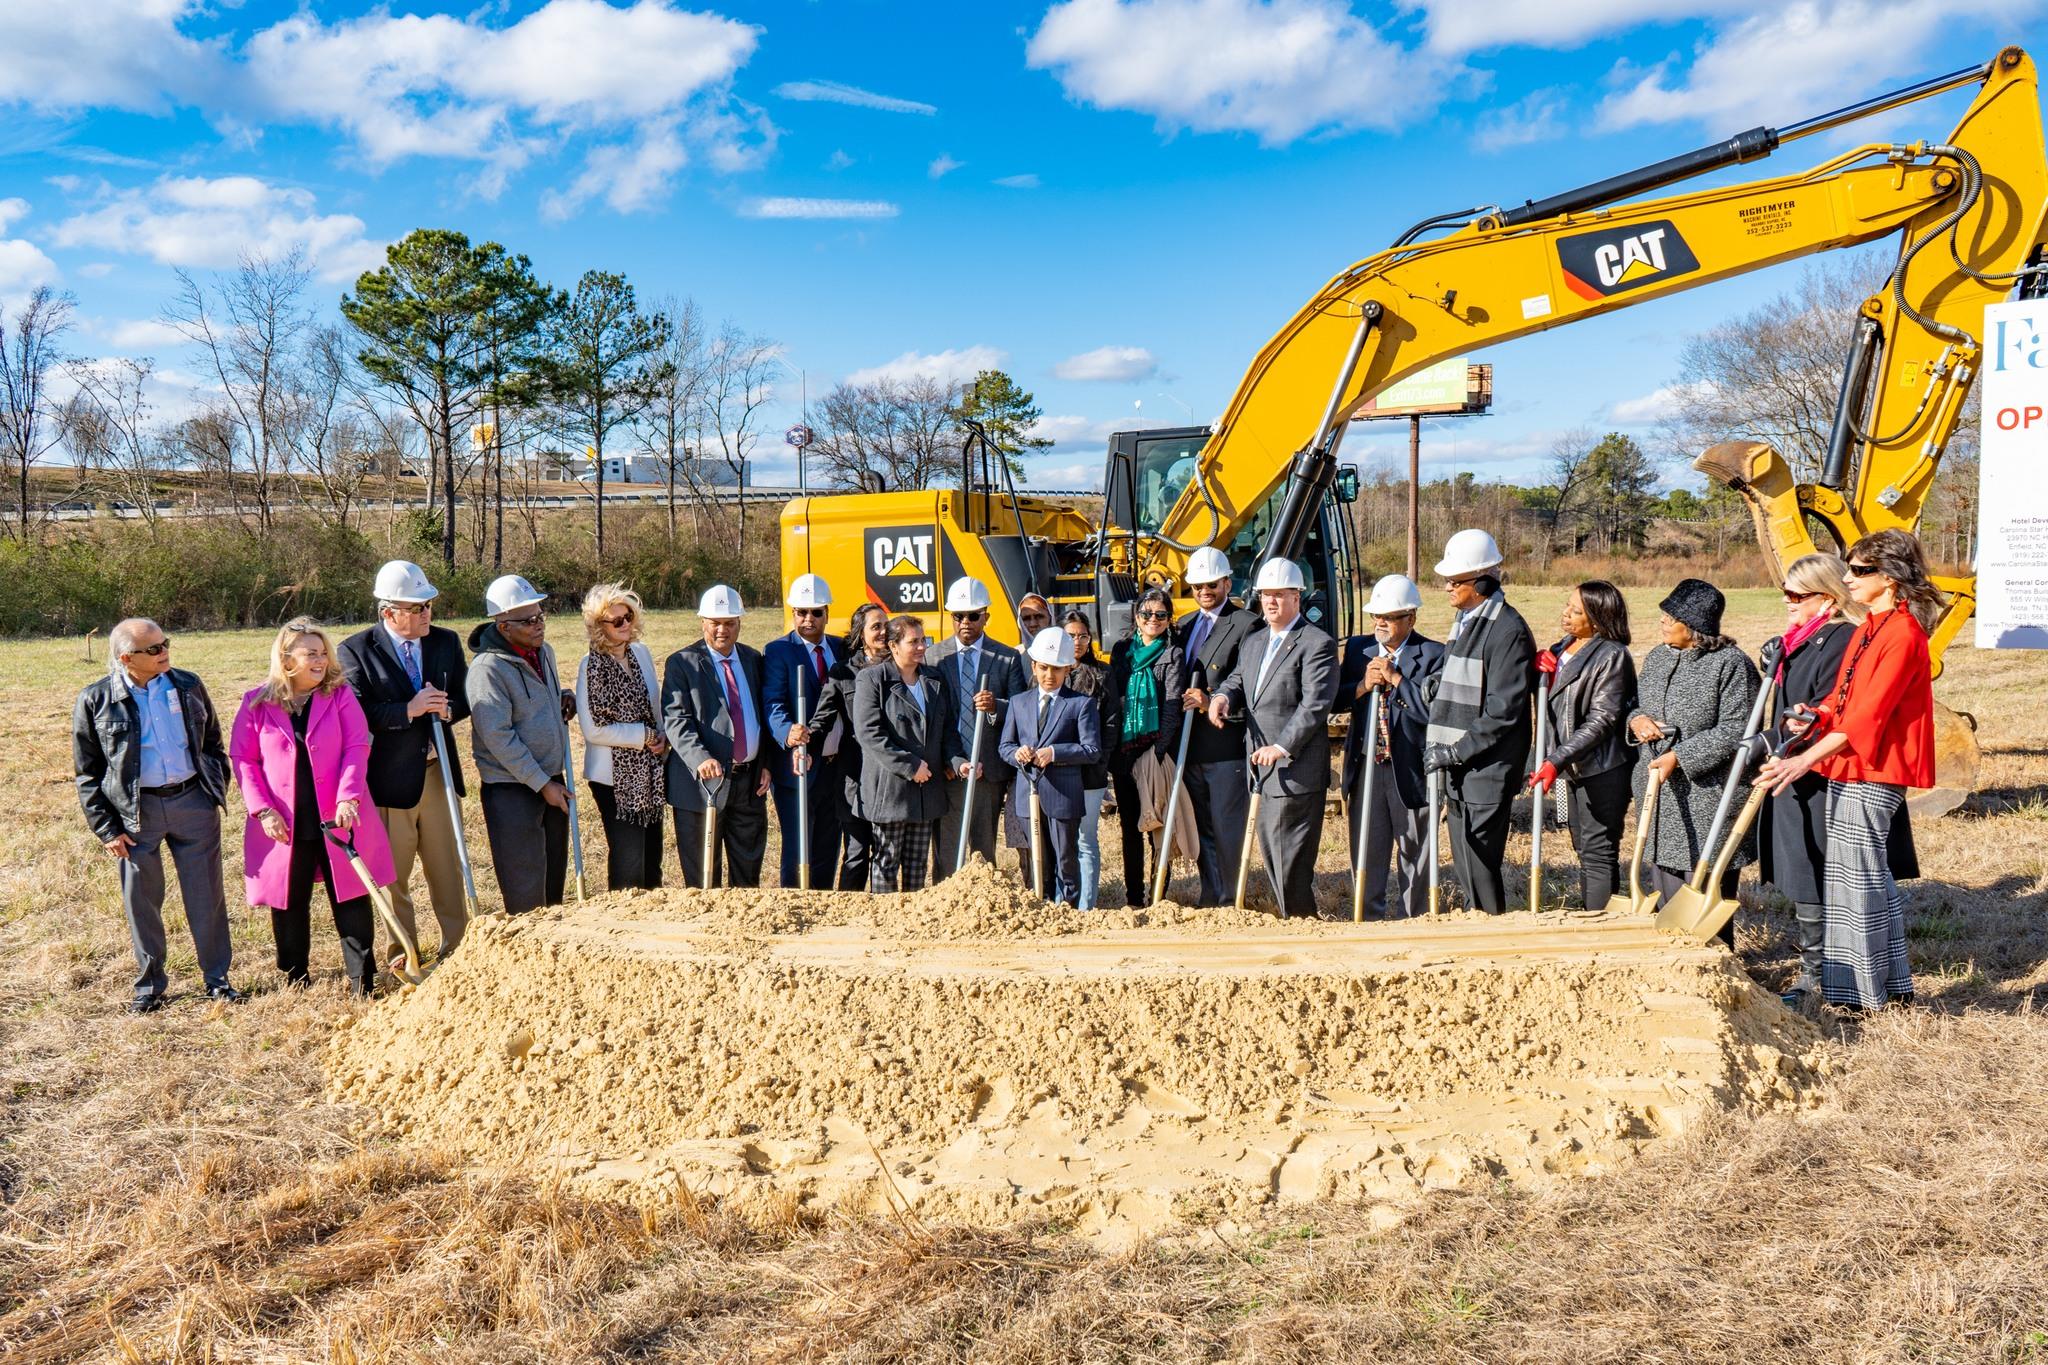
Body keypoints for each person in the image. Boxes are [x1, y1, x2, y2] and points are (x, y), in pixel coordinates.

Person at [1759, 530, 1938, 1012]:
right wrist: (1812, 716)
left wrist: (1802, 759)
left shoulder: (1902, 633)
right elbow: (1843, 701)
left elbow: (1868, 716)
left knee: (1854, 884)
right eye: (1849, 568)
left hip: (1877, 768)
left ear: (1891, 577)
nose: (1847, 578)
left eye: (1859, 571)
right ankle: (1893, 988)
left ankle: (1860, 997)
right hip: (1851, 765)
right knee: (1867, 879)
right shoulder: (1870, 626)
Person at [73, 618, 238, 1011]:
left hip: (193, 803)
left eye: (165, 643)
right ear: (126, 658)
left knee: (207, 896)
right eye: (153, 649)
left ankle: (217, 980)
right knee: (142, 901)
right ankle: (149, 987)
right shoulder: (96, 699)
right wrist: (106, 828)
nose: (164, 651)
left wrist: (214, 787)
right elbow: (87, 772)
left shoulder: (188, 684)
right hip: (135, 814)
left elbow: (213, 741)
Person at [231, 618, 393, 995]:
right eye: (311, 654)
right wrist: (263, 810)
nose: (321, 661)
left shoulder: (339, 695)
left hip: (337, 814)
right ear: (287, 660)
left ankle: (362, 979)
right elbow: (243, 760)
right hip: (284, 820)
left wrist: (348, 795)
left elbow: (357, 746)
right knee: (290, 899)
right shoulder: (256, 702)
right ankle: (294, 976)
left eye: (323, 653)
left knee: (350, 894)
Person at [338, 560, 471, 970]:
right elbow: (358, 713)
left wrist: (447, 710)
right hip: (390, 780)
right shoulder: (355, 649)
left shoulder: (446, 642)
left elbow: (465, 699)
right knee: (394, 874)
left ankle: (460, 949)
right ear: (387, 612)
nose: (426, 613)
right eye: (415, 607)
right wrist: (408, 710)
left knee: (448, 866)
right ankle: (404, 954)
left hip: (437, 773)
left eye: (428, 604)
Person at [1755, 553, 1868, 1008]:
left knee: (1814, 867)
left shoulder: (1839, 639)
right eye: (1784, 592)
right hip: (1792, 763)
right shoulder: (1802, 637)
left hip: (1818, 769)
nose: (1787, 601)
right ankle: (1815, 967)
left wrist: (1778, 736)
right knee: (1801, 868)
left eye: (1797, 595)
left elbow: (1826, 706)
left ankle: (1818, 976)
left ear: (1828, 598)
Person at [1627, 578, 1760, 940]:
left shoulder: (1731, 665)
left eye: (1670, 618)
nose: (1662, 623)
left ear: (1693, 625)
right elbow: (1637, 707)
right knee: (1665, 886)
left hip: (1708, 798)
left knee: (1704, 894)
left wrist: (1681, 757)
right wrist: (1636, 721)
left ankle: (1716, 963)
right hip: (1658, 793)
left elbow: (1738, 728)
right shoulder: (1657, 657)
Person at [1208, 558, 1339, 919]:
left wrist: (1282, 747)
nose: (1271, 602)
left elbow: (1316, 704)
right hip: (1259, 768)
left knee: (1289, 859)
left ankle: (1301, 925)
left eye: (1279, 595)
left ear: (1297, 597)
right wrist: (1222, 697)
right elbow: (1238, 678)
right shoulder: (1255, 641)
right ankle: (1293, 921)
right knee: (1273, 853)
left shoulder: (1316, 643)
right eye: (1266, 595)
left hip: (1294, 770)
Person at [1423, 529, 1537, 914]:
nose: (1447, 588)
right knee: (1464, 862)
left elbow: (1503, 710)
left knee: (1480, 863)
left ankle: (1491, 927)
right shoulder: (1467, 623)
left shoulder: (1507, 631)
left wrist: (1455, 751)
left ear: (1484, 582)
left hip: (1486, 767)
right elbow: (1469, 677)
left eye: (1456, 581)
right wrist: (1439, 682)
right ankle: (1476, 920)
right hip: (1462, 766)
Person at [1336, 575, 1443, 919]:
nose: (1380, 622)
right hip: (1367, 766)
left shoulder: (1434, 655)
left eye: (1390, 616)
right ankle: (1368, 919)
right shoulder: (1357, 649)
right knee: (1367, 851)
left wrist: (1397, 679)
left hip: (1409, 770)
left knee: (1416, 852)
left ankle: (1415, 920)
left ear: (1411, 617)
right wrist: (1363, 686)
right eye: (1376, 615)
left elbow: (1432, 712)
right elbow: (1334, 699)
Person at [467, 574, 575, 915]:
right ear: (503, 627)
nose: (538, 625)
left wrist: (561, 697)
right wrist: (542, 784)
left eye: (540, 616)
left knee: (553, 886)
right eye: (527, 621)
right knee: (527, 893)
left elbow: (536, 701)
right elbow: (498, 736)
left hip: (550, 780)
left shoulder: (545, 653)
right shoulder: (487, 671)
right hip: (512, 789)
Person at [1528, 581, 1638, 911]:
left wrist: (1556, 760)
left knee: (1599, 850)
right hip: (1571, 765)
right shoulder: (1563, 647)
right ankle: (1593, 913)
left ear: (1599, 618)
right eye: (1567, 605)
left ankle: (1602, 922)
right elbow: (1552, 707)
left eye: (1577, 611)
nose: (1566, 614)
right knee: (1582, 847)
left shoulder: (1612, 656)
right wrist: (1539, 675)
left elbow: (1603, 720)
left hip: (1602, 768)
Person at [663, 584, 772, 889]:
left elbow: (762, 716)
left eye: (729, 623)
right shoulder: (682, 663)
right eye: (715, 623)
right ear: (703, 622)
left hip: (749, 784)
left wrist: (765, 764)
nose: (722, 630)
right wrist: (701, 758)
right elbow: (676, 720)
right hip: (701, 787)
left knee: (748, 875)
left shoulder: (753, 659)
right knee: (702, 879)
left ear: (739, 623)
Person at [853, 614, 966, 892]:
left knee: (917, 863)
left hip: (926, 792)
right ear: (893, 646)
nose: (920, 647)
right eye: (912, 642)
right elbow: (870, 734)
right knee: (887, 860)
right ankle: (887, 923)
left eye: (923, 641)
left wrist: (958, 761)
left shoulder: (933, 680)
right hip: (890, 791)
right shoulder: (872, 680)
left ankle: (913, 926)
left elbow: (947, 729)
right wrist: (910, 766)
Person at [1174, 546, 1256, 906]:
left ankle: (1231, 898)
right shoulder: (1185, 625)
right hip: (1189, 746)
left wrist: (1213, 701)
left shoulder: (1246, 624)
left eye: (1211, 585)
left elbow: (1249, 684)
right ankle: (1210, 893)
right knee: (1203, 825)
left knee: (1226, 828)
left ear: (1227, 582)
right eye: (1197, 586)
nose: (1204, 592)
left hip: (1224, 745)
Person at [1000, 628, 1105, 905]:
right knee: (1039, 864)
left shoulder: (1080, 704)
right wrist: (1017, 753)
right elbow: (1005, 746)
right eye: (1044, 667)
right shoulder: (1018, 703)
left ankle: (1068, 913)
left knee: (1066, 862)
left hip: (1063, 797)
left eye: (1057, 669)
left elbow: (1091, 750)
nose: (1050, 675)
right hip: (1027, 797)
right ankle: (1043, 911)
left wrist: (1055, 753)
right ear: (1034, 666)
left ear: (1068, 668)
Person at [929, 577, 1025, 878]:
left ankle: (981, 908)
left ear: (986, 615)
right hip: (948, 768)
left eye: (973, 616)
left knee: (983, 849)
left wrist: (996, 706)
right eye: (958, 616)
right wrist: (949, 759)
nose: (965, 623)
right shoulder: (934, 657)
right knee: (947, 847)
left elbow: (1020, 709)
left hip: (988, 767)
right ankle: (945, 906)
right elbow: (933, 717)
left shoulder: (1006, 657)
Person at [575, 582, 667, 892]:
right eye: (616, 621)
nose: (626, 624)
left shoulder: (641, 653)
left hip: (650, 772)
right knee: (629, 859)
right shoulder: (591, 666)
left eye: (628, 616)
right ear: (598, 626)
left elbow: (655, 706)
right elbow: (593, 729)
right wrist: (643, 735)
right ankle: (625, 920)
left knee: (652, 855)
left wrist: (661, 736)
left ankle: (652, 917)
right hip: (611, 777)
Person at [1105, 589, 1186, 908]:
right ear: (1136, 617)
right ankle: (1134, 896)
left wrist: (1158, 749)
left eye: (1160, 615)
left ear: (1168, 619)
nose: (1153, 620)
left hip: (1155, 753)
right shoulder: (1122, 650)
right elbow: (1117, 698)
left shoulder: (1173, 653)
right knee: (1130, 827)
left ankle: (1158, 895)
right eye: (1146, 614)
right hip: (1124, 753)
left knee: (1156, 826)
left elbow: (1171, 705)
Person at [764, 573, 844, 888]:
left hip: (836, 765)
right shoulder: (779, 651)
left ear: (826, 613)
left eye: (815, 612)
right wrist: (787, 732)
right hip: (797, 766)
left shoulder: (841, 648)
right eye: (801, 612)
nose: (808, 619)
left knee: (829, 841)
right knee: (799, 845)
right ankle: (794, 904)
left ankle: (823, 903)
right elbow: (772, 702)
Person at [807, 603, 890, 890]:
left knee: (886, 854)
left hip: (892, 775)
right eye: (875, 626)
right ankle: (847, 913)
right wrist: (806, 743)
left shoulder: (900, 665)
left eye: (885, 625)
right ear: (860, 633)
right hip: (855, 774)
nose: (883, 632)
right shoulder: (843, 671)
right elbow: (824, 717)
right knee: (856, 853)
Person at [1061, 610, 1114, 910]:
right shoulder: (1050, 672)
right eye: (1070, 636)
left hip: (1090, 772)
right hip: (1056, 771)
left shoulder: (1102, 674)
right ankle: (1063, 901)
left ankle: (1086, 905)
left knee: (1085, 838)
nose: (1077, 642)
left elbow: (1111, 724)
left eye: (1082, 635)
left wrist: (1099, 761)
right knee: (1062, 841)